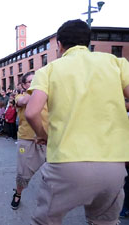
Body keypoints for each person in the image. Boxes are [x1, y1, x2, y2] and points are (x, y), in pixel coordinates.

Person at [26, 19, 129, 225]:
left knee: (46, 221)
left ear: (60, 45)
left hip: (66, 162)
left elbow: (32, 112)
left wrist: (43, 135)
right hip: (113, 163)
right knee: (104, 221)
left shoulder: (49, 70)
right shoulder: (116, 63)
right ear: (87, 42)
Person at [11, 72, 48, 210]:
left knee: (52, 172)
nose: (34, 83)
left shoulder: (47, 96)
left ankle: (50, 198)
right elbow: (24, 102)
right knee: (23, 171)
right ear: (23, 85)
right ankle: (18, 193)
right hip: (27, 139)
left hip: (47, 139)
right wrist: (38, 90)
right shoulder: (20, 97)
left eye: (36, 80)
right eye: (30, 82)